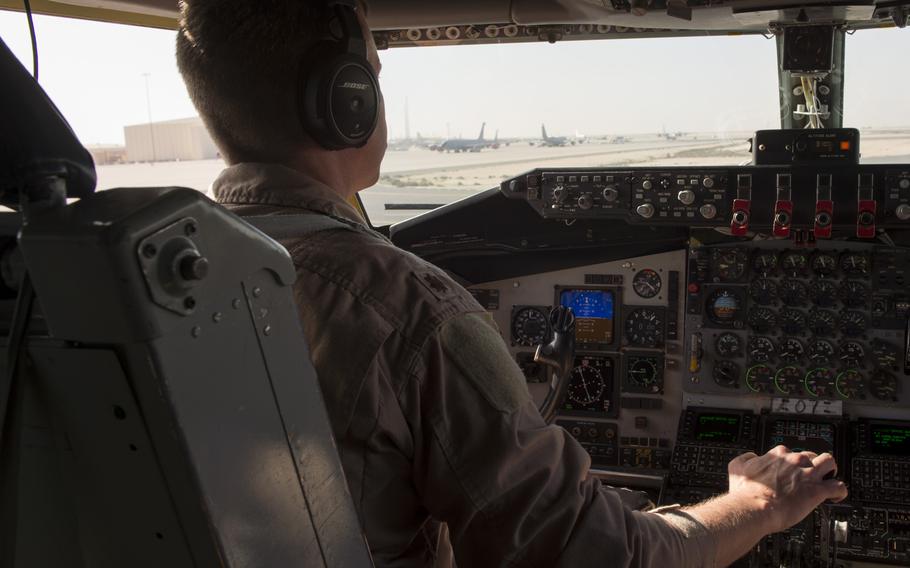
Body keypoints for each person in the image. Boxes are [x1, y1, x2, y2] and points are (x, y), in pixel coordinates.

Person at [175, 1, 849, 566]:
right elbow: (604, 557)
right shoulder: (409, 307)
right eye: (372, 77)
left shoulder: (161, 281)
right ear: (344, 101)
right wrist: (756, 504)